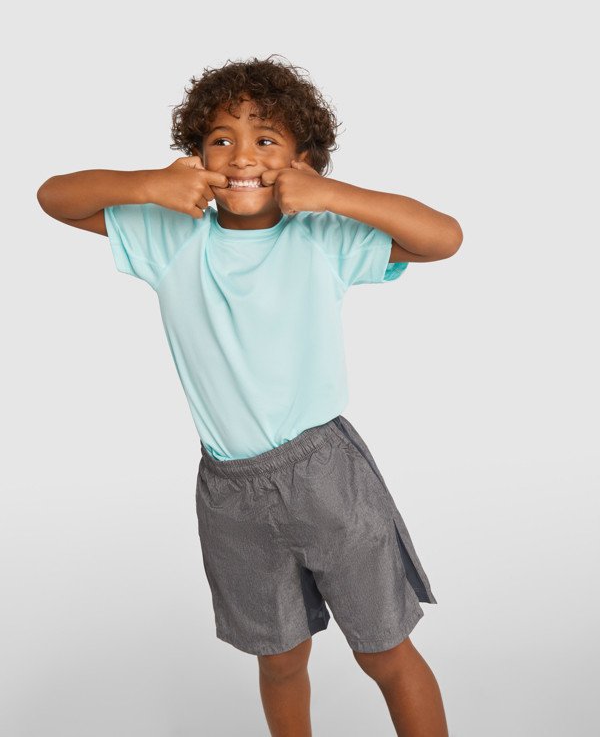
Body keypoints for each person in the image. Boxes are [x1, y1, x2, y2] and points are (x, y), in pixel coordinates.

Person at [37, 54, 462, 737]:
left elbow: (443, 237)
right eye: (220, 139)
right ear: (196, 156)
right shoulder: (171, 237)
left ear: (302, 161)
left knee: (383, 650)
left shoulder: (322, 238)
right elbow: (54, 196)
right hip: (228, 489)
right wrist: (147, 185)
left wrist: (333, 195)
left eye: (266, 139)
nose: (241, 156)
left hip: (326, 475)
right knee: (280, 659)